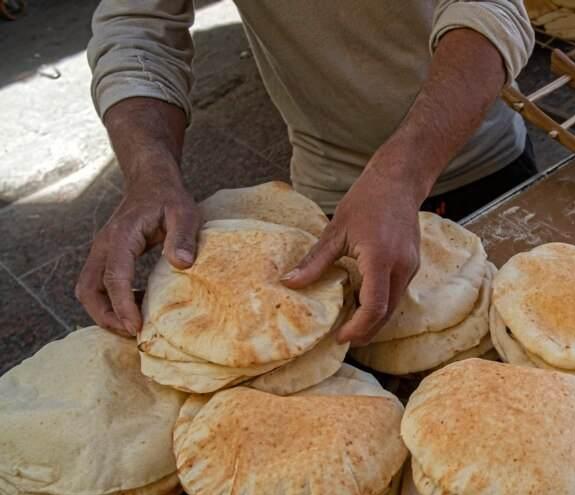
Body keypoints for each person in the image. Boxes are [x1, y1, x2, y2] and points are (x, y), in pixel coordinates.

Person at [77, 1, 535, 346]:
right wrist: (148, 171)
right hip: (331, 198)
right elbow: (136, 28)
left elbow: (490, 7)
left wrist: (401, 174)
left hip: (484, 159)